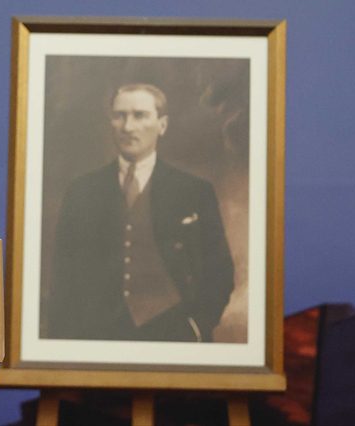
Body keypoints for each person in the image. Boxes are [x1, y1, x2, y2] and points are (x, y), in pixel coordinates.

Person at [48, 83, 234, 342]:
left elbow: (220, 271)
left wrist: (197, 326)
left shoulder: (194, 191)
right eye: (119, 116)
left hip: (173, 333)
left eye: (140, 115)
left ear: (162, 125)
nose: (128, 127)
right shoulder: (82, 191)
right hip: (96, 336)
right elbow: (63, 275)